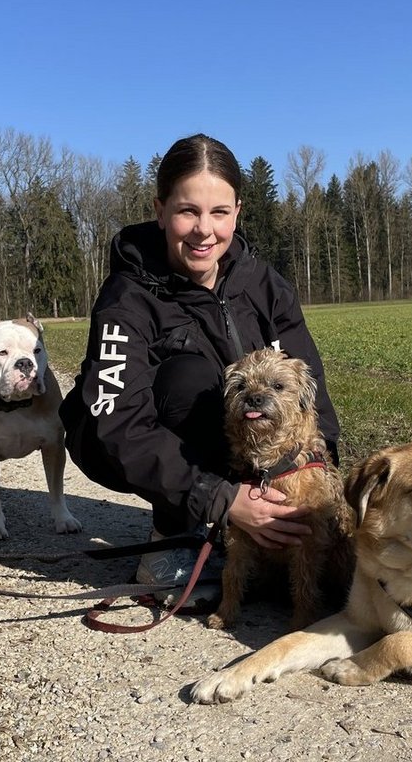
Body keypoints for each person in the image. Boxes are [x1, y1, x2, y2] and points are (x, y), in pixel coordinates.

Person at [59, 133, 340, 603]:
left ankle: (246, 529)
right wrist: (222, 498)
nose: (204, 230)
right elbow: (118, 420)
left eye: (219, 212)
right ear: (161, 209)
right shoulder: (127, 298)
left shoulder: (265, 284)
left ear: (238, 212)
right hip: (114, 439)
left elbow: (310, 383)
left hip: (235, 444)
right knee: (194, 379)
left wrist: (320, 469)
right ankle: (171, 543)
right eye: (188, 210)